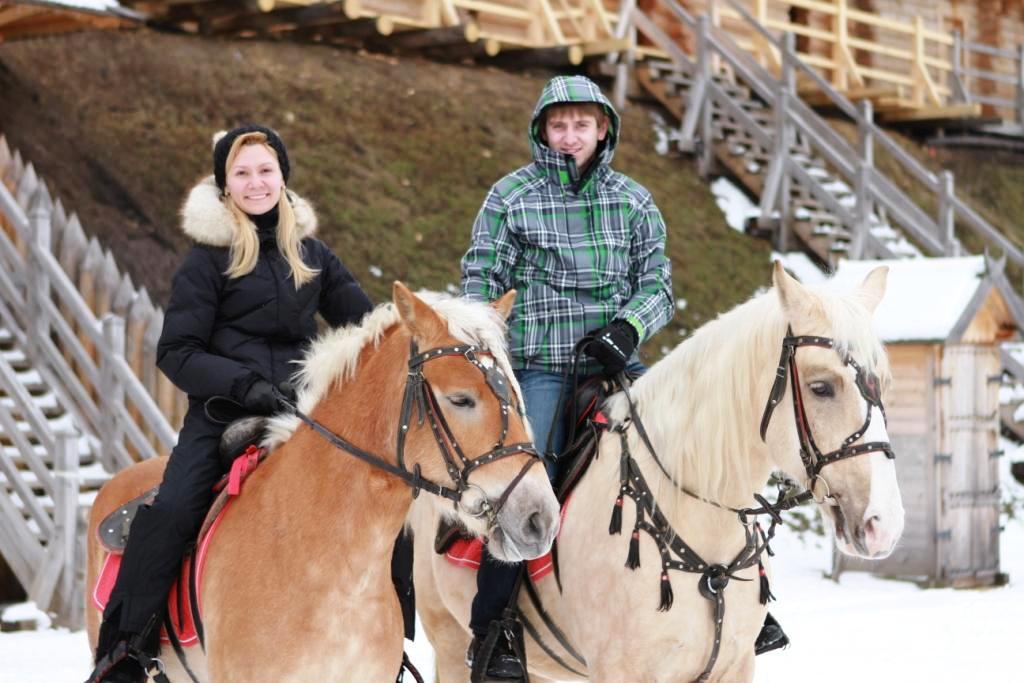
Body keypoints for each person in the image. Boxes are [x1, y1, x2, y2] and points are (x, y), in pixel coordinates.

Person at [87, 125, 374, 682]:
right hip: (224, 415)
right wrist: (244, 386)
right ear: (225, 187)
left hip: (300, 416)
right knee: (171, 513)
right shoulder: (206, 262)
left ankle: (386, 632)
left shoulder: (313, 255)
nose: (256, 182)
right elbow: (176, 351)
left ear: (283, 178)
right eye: (242, 173)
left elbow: (365, 329)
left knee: (376, 492)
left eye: (266, 170)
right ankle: (124, 651)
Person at [460, 74, 675, 679]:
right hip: (540, 361)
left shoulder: (632, 199)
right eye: (559, 125)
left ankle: (741, 588)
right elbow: (481, 276)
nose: (570, 135)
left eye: (582, 124)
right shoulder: (511, 195)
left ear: (603, 129)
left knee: (681, 446)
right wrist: (487, 348)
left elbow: (657, 281)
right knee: (528, 481)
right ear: (542, 132)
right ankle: (493, 631)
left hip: (615, 356)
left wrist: (627, 329)